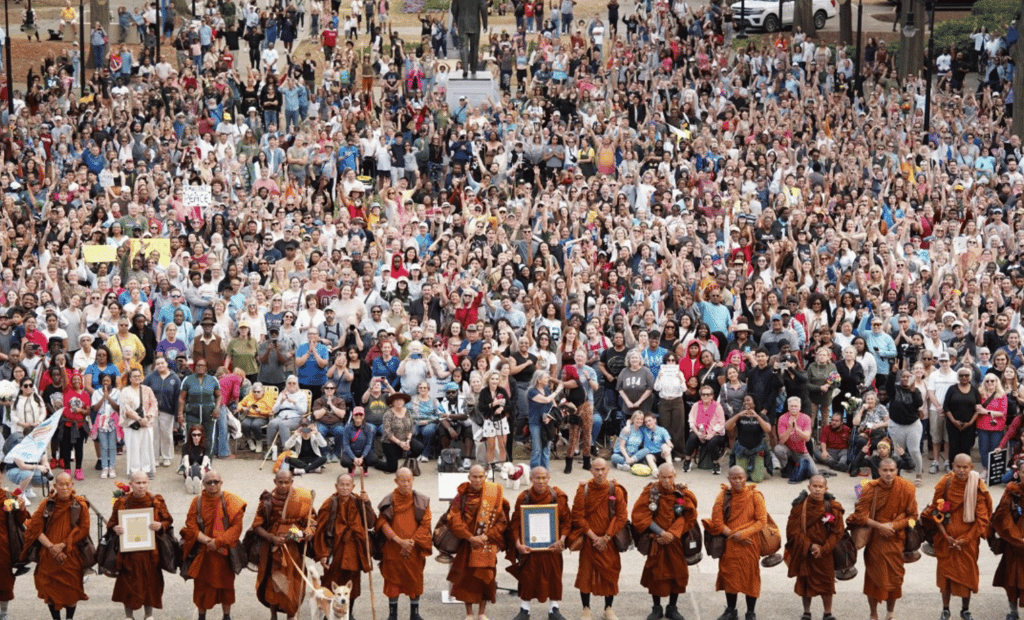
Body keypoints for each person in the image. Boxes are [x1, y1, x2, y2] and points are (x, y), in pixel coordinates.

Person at [847, 457, 919, 620]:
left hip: (896, 540)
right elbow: (859, 517)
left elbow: (914, 517)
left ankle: (890, 613)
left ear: (897, 471)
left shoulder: (907, 488)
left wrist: (894, 526)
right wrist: (881, 526)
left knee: (894, 578)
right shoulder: (869, 488)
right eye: (885, 470)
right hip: (875, 541)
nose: (888, 473)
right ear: (878, 471)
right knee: (873, 579)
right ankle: (873, 614)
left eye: (891, 470)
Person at [923, 453, 992, 620]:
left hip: (967, 542)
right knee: (945, 576)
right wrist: (946, 536)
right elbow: (937, 511)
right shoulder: (945, 483)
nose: (961, 470)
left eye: (965, 467)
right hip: (946, 540)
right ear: (952, 466)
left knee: (966, 575)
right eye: (958, 467)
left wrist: (965, 539)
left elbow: (982, 519)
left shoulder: (977, 487)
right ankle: (945, 609)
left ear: (971, 468)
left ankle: (965, 610)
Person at [630, 463, 698, 620]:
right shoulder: (651, 492)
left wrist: (672, 534)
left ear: (675, 476)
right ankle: (656, 608)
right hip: (657, 540)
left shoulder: (680, 493)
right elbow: (640, 515)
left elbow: (689, 515)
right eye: (664, 477)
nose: (667, 480)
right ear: (658, 476)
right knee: (656, 575)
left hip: (675, 541)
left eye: (670, 477)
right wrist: (660, 533)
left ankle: (672, 608)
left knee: (677, 574)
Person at [21, 472, 90, 620]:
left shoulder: (80, 505)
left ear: (73, 486)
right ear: (55, 486)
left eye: (67, 484)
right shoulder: (47, 504)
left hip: (71, 554)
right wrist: (52, 547)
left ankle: (69, 618)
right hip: (48, 555)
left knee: (72, 589)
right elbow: (34, 529)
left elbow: (84, 530)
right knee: (50, 589)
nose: (64, 488)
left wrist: (64, 544)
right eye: (61, 485)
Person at [180, 470, 247, 620]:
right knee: (201, 587)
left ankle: (226, 616)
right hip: (203, 553)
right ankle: (201, 616)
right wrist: (206, 541)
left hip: (223, 553)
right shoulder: (197, 501)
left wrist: (218, 542)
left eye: (216, 482)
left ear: (221, 483)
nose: (212, 485)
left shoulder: (231, 500)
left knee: (226, 586)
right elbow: (191, 525)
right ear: (203, 484)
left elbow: (236, 527)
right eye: (209, 482)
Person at [249, 469, 315, 620]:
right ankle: (273, 614)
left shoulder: (302, 498)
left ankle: (291, 614)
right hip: (271, 547)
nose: (283, 485)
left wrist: (308, 532)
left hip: (293, 546)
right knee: (273, 581)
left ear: (292, 482)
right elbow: (257, 526)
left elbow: (311, 520)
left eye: (287, 482)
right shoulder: (267, 500)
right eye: (280, 482)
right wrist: (272, 537)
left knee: (292, 581)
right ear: (275, 482)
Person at [703, 466, 767, 620]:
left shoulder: (755, 495)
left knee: (750, 577)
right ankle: (731, 610)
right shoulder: (723, 496)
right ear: (729, 479)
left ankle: (750, 612)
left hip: (750, 543)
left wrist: (745, 533)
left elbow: (761, 521)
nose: (738, 481)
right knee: (729, 575)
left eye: (741, 478)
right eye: (734, 478)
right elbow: (717, 523)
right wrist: (735, 535)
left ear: (746, 478)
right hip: (731, 544)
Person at [446, 464, 510, 619]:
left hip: (486, 542)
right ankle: (469, 613)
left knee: (486, 577)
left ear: (485, 476)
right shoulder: (462, 494)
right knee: (466, 577)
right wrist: (469, 537)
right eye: (474, 476)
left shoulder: (494, 493)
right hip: (468, 542)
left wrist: (486, 536)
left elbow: (502, 521)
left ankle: (482, 612)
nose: (477, 479)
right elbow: (453, 519)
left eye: (480, 476)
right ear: (469, 477)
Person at [508, 466, 571, 620]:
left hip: (552, 547)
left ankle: (554, 609)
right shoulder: (524, 497)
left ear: (549, 478)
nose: (541, 481)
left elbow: (566, 522)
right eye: (537, 478)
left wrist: (562, 539)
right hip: (531, 547)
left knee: (554, 576)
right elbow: (515, 523)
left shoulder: (558, 496)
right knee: (528, 577)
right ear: (531, 479)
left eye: (544, 478)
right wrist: (517, 544)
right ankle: (525, 609)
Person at [108, 470, 173, 620]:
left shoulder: (155, 501)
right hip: (129, 553)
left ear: (148, 483)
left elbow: (168, 520)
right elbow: (111, 523)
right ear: (130, 484)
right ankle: (129, 616)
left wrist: (160, 525)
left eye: (144, 482)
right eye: (138, 483)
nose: (141, 486)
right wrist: (115, 529)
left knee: (150, 583)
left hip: (150, 552)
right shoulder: (122, 503)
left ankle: (148, 615)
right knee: (127, 584)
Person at [569, 458, 627, 620]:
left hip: (609, 539)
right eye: (596, 469)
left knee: (610, 573)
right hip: (589, 539)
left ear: (608, 470)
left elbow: (622, 516)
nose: (600, 473)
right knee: (585, 574)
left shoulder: (615, 490)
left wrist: (606, 537)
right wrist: (594, 537)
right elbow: (577, 516)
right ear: (591, 471)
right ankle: (586, 609)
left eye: (603, 469)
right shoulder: (584, 490)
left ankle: (608, 608)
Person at [311, 473, 376, 616]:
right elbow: (320, 530)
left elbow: (371, 523)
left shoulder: (359, 501)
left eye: (348, 485)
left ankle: (348, 613)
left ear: (353, 486)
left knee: (352, 584)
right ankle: (329, 613)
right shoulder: (330, 504)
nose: (345, 488)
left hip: (354, 550)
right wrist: (322, 554)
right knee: (330, 582)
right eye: (342, 485)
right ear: (336, 486)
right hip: (335, 549)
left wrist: (367, 503)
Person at [784, 474, 845, 620]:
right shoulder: (800, 507)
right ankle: (807, 612)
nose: (817, 490)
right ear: (809, 487)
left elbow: (837, 532)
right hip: (805, 551)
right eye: (814, 486)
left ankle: (827, 613)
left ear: (826, 488)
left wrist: (823, 549)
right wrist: (810, 545)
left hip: (825, 552)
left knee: (827, 583)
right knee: (805, 582)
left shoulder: (831, 507)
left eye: (820, 487)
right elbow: (792, 530)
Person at [375, 467, 431, 620]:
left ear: (413, 480)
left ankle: (415, 613)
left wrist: (411, 542)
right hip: (394, 548)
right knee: (392, 579)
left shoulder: (421, 500)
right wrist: (398, 541)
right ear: (396, 481)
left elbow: (426, 524)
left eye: (409, 480)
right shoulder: (389, 500)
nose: (406, 484)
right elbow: (382, 523)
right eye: (402, 480)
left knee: (415, 578)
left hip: (414, 548)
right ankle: (393, 614)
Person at [992, 459, 1024, 619]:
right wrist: (1018, 540)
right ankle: (1013, 612)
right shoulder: (1011, 493)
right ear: (1018, 474)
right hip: (1014, 546)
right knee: (1011, 581)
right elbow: (1002, 519)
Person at [119, 367, 159, 478]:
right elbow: (125, 409)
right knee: (133, 447)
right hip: (131, 424)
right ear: (130, 378)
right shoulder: (125, 391)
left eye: (139, 375)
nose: (137, 378)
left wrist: (148, 417)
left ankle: (146, 469)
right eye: (134, 376)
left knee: (146, 447)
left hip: (147, 422)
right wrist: (139, 419)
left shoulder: (147, 389)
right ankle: (134, 470)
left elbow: (154, 404)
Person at [143, 356, 181, 468]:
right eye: (157, 364)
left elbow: (177, 398)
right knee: (154, 435)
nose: (160, 365)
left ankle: (166, 457)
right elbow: (144, 393)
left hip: (167, 411)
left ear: (167, 364)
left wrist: (176, 416)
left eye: (162, 363)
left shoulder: (175, 378)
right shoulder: (150, 377)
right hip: (152, 412)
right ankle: (154, 458)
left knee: (167, 434)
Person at [178, 358, 222, 454]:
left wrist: (217, 408)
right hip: (192, 413)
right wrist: (180, 414)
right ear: (194, 367)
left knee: (208, 438)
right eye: (198, 365)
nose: (200, 367)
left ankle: (207, 464)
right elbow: (182, 398)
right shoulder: (188, 380)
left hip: (209, 413)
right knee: (190, 437)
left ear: (206, 368)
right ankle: (188, 463)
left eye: (203, 365)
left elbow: (218, 396)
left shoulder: (213, 380)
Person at [682, 384, 726, 474]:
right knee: (692, 437)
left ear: (712, 396)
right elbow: (691, 421)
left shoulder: (718, 406)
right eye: (703, 394)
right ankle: (687, 460)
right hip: (699, 431)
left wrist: (711, 434)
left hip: (715, 433)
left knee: (712, 442)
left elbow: (721, 423)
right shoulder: (696, 405)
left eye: (708, 394)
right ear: (700, 395)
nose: (706, 396)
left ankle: (716, 463)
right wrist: (698, 433)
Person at [0, 482, 28, 616]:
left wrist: (21, 509)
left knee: (4, 581)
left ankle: (3, 613)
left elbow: (20, 520)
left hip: (2, 547)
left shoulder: (7, 498)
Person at [775, 396, 817, 484]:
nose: (793, 408)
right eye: (791, 406)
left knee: (814, 474)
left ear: (800, 408)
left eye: (796, 406)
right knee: (778, 448)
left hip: (801, 452)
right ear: (788, 407)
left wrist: (797, 429)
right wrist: (790, 428)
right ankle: (786, 467)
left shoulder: (806, 418)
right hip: (788, 450)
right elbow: (781, 441)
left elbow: (807, 438)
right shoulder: (782, 418)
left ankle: (797, 466)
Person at [267, 375, 310, 451]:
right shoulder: (282, 394)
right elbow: (274, 410)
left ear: (297, 385)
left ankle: (286, 449)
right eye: (289, 383)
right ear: (286, 384)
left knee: (284, 424)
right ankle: (270, 448)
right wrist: (281, 401)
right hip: (281, 416)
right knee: (272, 423)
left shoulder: (301, 395)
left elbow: (303, 411)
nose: (291, 385)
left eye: (294, 383)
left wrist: (294, 402)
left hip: (295, 417)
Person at [238, 383, 275, 453]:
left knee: (255, 425)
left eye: (258, 392)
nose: (256, 393)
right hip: (249, 416)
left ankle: (259, 442)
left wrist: (261, 411)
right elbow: (239, 404)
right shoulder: (249, 396)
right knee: (244, 424)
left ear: (263, 391)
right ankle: (249, 441)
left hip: (262, 417)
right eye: (254, 391)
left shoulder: (268, 398)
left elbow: (271, 411)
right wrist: (243, 408)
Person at [182, 424, 212, 494]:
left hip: (202, 467)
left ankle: (199, 483)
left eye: (199, 435)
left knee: (202, 472)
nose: (196, 437)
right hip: (191, 467)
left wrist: (202, 468)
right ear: (191, 435)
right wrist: (187, 468)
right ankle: (190, 482)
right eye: (194, 435)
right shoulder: (185, 446)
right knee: (189, 472)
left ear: (202, 435)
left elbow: (205, 459)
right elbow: (186, 460)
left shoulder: (206, 445)